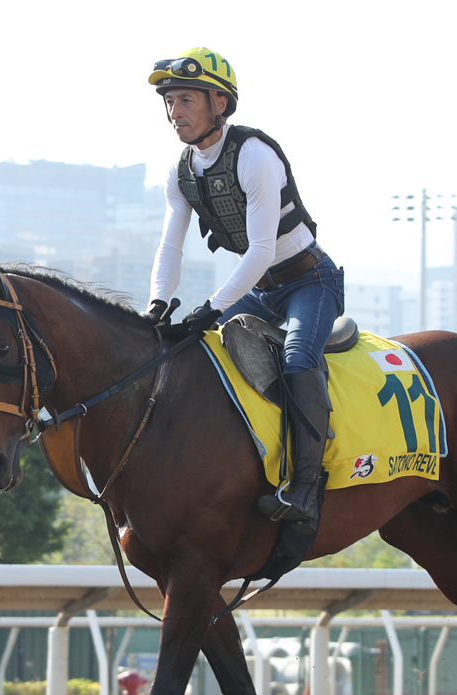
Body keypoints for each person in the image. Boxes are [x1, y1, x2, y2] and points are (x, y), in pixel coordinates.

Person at [145, 47, 345, 535]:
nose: (175, 113)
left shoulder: (254, 155)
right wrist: (157, 303)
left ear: (220, 103)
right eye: (170, 102)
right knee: (196, 353)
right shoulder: (181, 170)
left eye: (186, 100)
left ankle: (304, 486)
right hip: (261, 289)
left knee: (298, 360)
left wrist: (211, 307)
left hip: (309, 283)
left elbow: (259, 249)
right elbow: (170, 246)